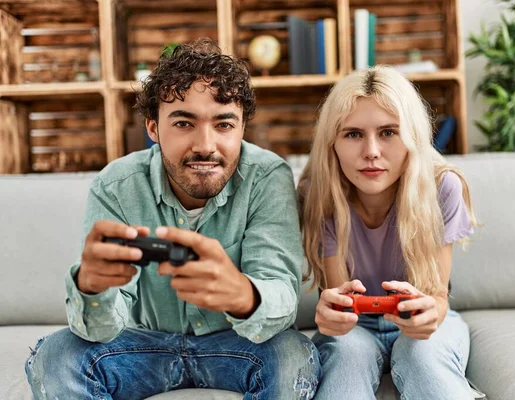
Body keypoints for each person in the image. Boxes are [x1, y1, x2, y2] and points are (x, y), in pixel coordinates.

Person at [25, 38, 320, 400]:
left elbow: (280, 294)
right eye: (184, 123)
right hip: (143, 345)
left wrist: (243, 296)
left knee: (292, 355)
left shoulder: (266, 176)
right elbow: (100, 329)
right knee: (56, 356)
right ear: (153, 128)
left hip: (239, 346)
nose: (205, 145)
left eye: (224, 124)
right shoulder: (115, 186)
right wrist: (91, 287)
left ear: (242, 128)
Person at [298, 65, 477, 399]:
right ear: (332, 142)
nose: (371, 152)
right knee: (348, 356)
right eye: (353, 134)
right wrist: (330, 315)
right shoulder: (318, 192)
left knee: (423, 355)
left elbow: (436, 295)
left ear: (411, 137)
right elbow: (339, 297)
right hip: (356, 327)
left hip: (422, 322)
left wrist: (430, 314)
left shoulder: (443, 186)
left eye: (388, 132)